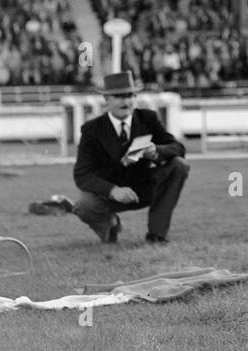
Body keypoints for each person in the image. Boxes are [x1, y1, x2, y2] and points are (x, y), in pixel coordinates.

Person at [72, 71, 188, 244]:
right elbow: (82, 174)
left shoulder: (148, 118)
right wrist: (113, 190)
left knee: (180, 165)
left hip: (145, 188)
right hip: (111, 194)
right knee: (83, 205)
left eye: (129, 96)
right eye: (119, 96)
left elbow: (178, 148)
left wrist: (156, 150)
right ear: (107, 99)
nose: (125, 102)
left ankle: (157, 235)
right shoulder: (91, 130)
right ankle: (111, 227)